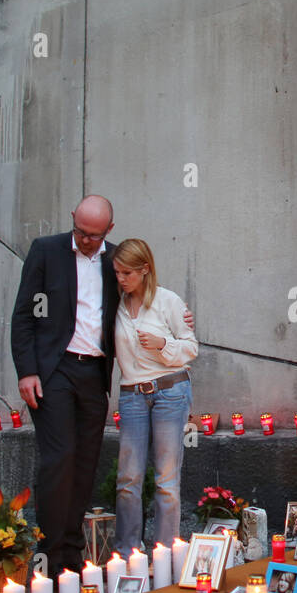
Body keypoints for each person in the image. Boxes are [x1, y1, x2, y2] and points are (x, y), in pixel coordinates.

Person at [10, 199, 192, 574]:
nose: (85, 241)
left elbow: (145, 286)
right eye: (79, 232)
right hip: (54, 371)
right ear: (72, 220)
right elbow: (24, 314)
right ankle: (51, 553)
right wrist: (27, 370)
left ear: (108, 230)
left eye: (93, 235)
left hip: (95, 374)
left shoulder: (115, 262)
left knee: (86, 461)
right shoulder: (45, 251)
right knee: (58, 459)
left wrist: (178, 314)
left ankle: (74, 555)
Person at [111, 238, 198, 556]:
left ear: (145, 270)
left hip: (170, 391)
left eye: (127, 273)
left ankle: (164, 554)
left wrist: (163, 344)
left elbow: (191, 348)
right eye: (117, 272)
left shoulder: (168, 301)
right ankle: (126, 553)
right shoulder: (115, 303)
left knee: (166, 477)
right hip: (132, 394)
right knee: (128, 477)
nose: (120, 278)